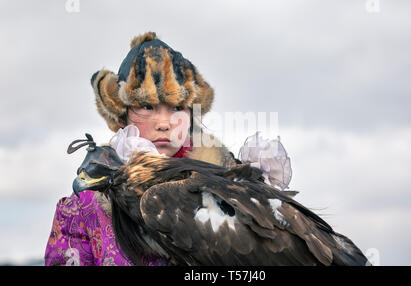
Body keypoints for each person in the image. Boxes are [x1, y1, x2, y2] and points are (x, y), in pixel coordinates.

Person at [44, 31, 291, 266]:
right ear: (122, 116)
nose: (164, 123)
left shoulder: (238, 191)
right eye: (147, 107)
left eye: (176, 107)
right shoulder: (83, 207)